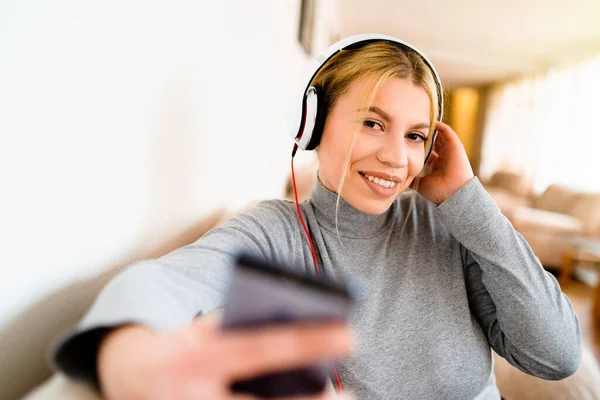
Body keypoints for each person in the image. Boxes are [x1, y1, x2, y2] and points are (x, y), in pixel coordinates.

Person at [51, 34, 581, 400]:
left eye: (415, 135)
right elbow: (163, 283)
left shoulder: (450, 226)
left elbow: (557, 355)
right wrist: (133, 359)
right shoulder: (275, 231)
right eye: (373, 123)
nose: (397, 157)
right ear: (313, 123)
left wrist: (468, 198)